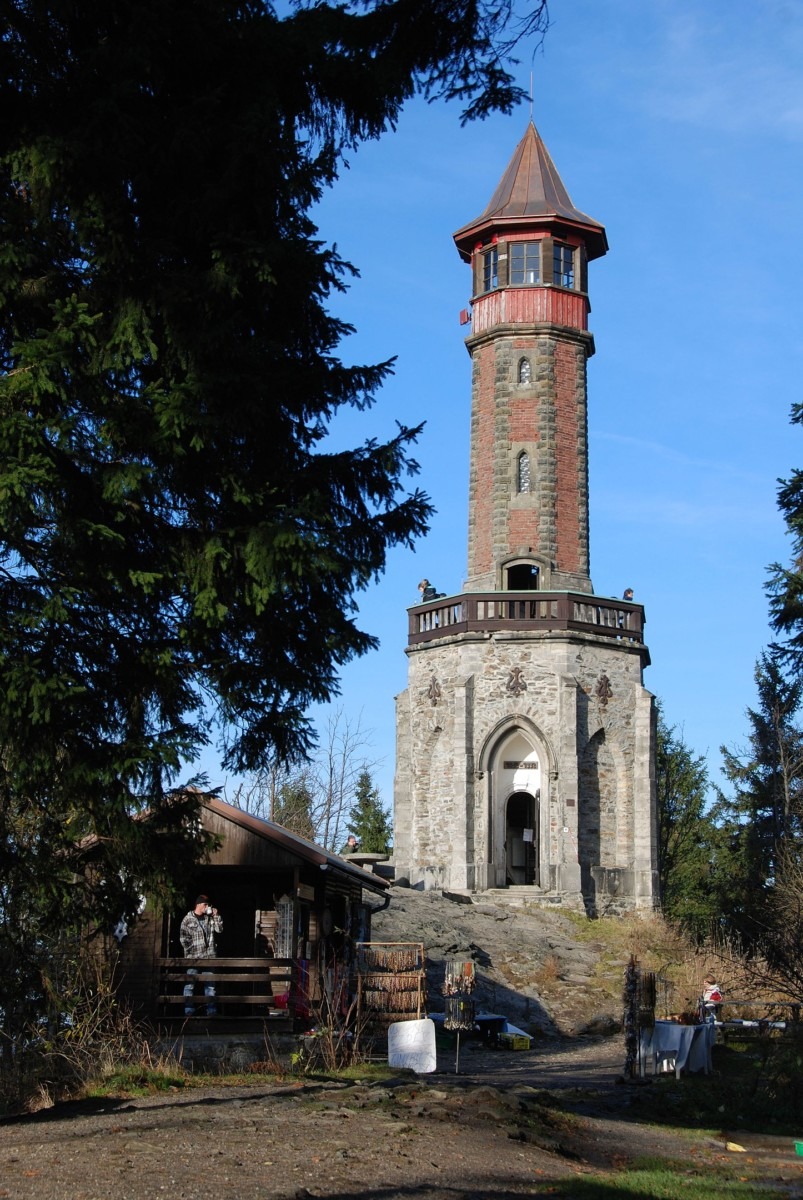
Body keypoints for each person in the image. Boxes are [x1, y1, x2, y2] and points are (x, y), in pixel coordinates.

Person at [180, 894, 223, 1016]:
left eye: (208, 905)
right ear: (198, 904)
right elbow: (183, 939)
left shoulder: (209, 918)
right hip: (193, 959)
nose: (207, 907)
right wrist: (192, 953)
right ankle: (188, 1011)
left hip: (209, 957)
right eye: (205, 904)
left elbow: (219, 929)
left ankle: (211, 1011)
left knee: (210, 986)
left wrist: (216, 916)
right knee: (189, 985)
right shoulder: (187, 919)